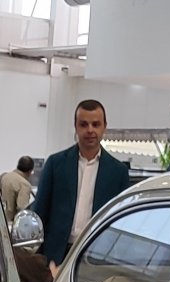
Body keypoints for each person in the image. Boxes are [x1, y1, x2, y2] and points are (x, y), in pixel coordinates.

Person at [30, 100, 131, 273]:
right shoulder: (55, 164)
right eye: (84, 124)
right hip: (56, 257)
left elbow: (122, 222)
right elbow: (39, 213)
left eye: (96, 124)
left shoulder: (118, 172)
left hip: (97, 256)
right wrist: (41, 256)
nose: (90, 130)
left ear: (104, 127)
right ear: (75, 126)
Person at [0, 156, 35, 225]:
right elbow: (22, 209)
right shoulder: (24, 184)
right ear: (30, 171)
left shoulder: (4, 176)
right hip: (10, 225)